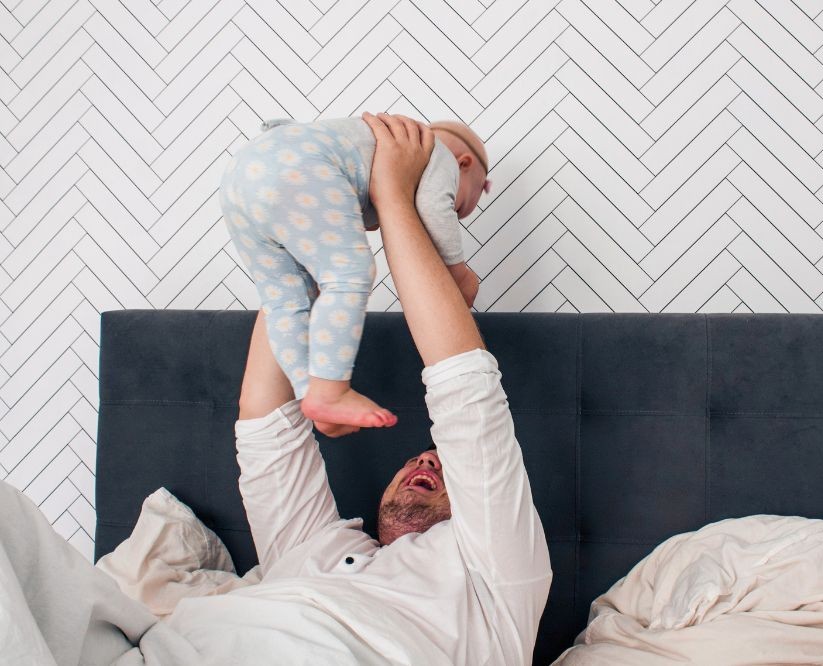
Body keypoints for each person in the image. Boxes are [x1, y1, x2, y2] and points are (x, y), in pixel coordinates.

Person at [0, 111, 551, 666]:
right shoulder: (317, 546)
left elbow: (465, 392)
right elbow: (271, 418)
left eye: (443, 464)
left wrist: (393, 197)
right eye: (424, 457)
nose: (426, 459)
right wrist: (311, 218)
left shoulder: (496, 574)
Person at [219, 115, 489, 434]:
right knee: (349, 273)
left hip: (241, 177)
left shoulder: (372, 142)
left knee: (284, 301)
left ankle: (311, 394)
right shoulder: (435, 153)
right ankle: (331, 391)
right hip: (300, 168)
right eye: (460, 207)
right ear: (465, 164)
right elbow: (433, 206)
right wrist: (457, 271)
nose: (455, 213)